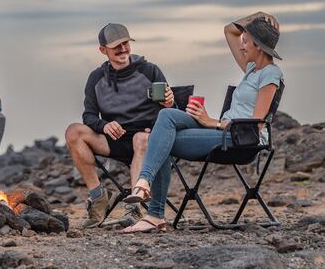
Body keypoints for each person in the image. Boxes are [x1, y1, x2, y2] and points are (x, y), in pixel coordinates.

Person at [121, 12, 284, 233]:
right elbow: (230, 30)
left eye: (246, 42)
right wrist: (258, 16)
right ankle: (143, 184)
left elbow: (255, 127)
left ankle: (154, 214)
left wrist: (210, 122)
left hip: (240, 141)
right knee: (167, 116)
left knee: (162, 141)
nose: (242, 46)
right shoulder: (252, 69)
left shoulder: (270, 74)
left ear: (259, 46)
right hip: (223, 131)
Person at [65, 23, 174, 228]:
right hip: (113, 139)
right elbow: (88, 116)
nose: (123, 49)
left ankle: (136, 207)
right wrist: (104, 125)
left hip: (147, 140)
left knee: (140, 138)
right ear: (103, 50)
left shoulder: (149, 70)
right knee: (74, 132)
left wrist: (169, 102)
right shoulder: (96, 78)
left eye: (126, 43)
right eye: (117, 46)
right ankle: (98, 197)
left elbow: (171, 110)